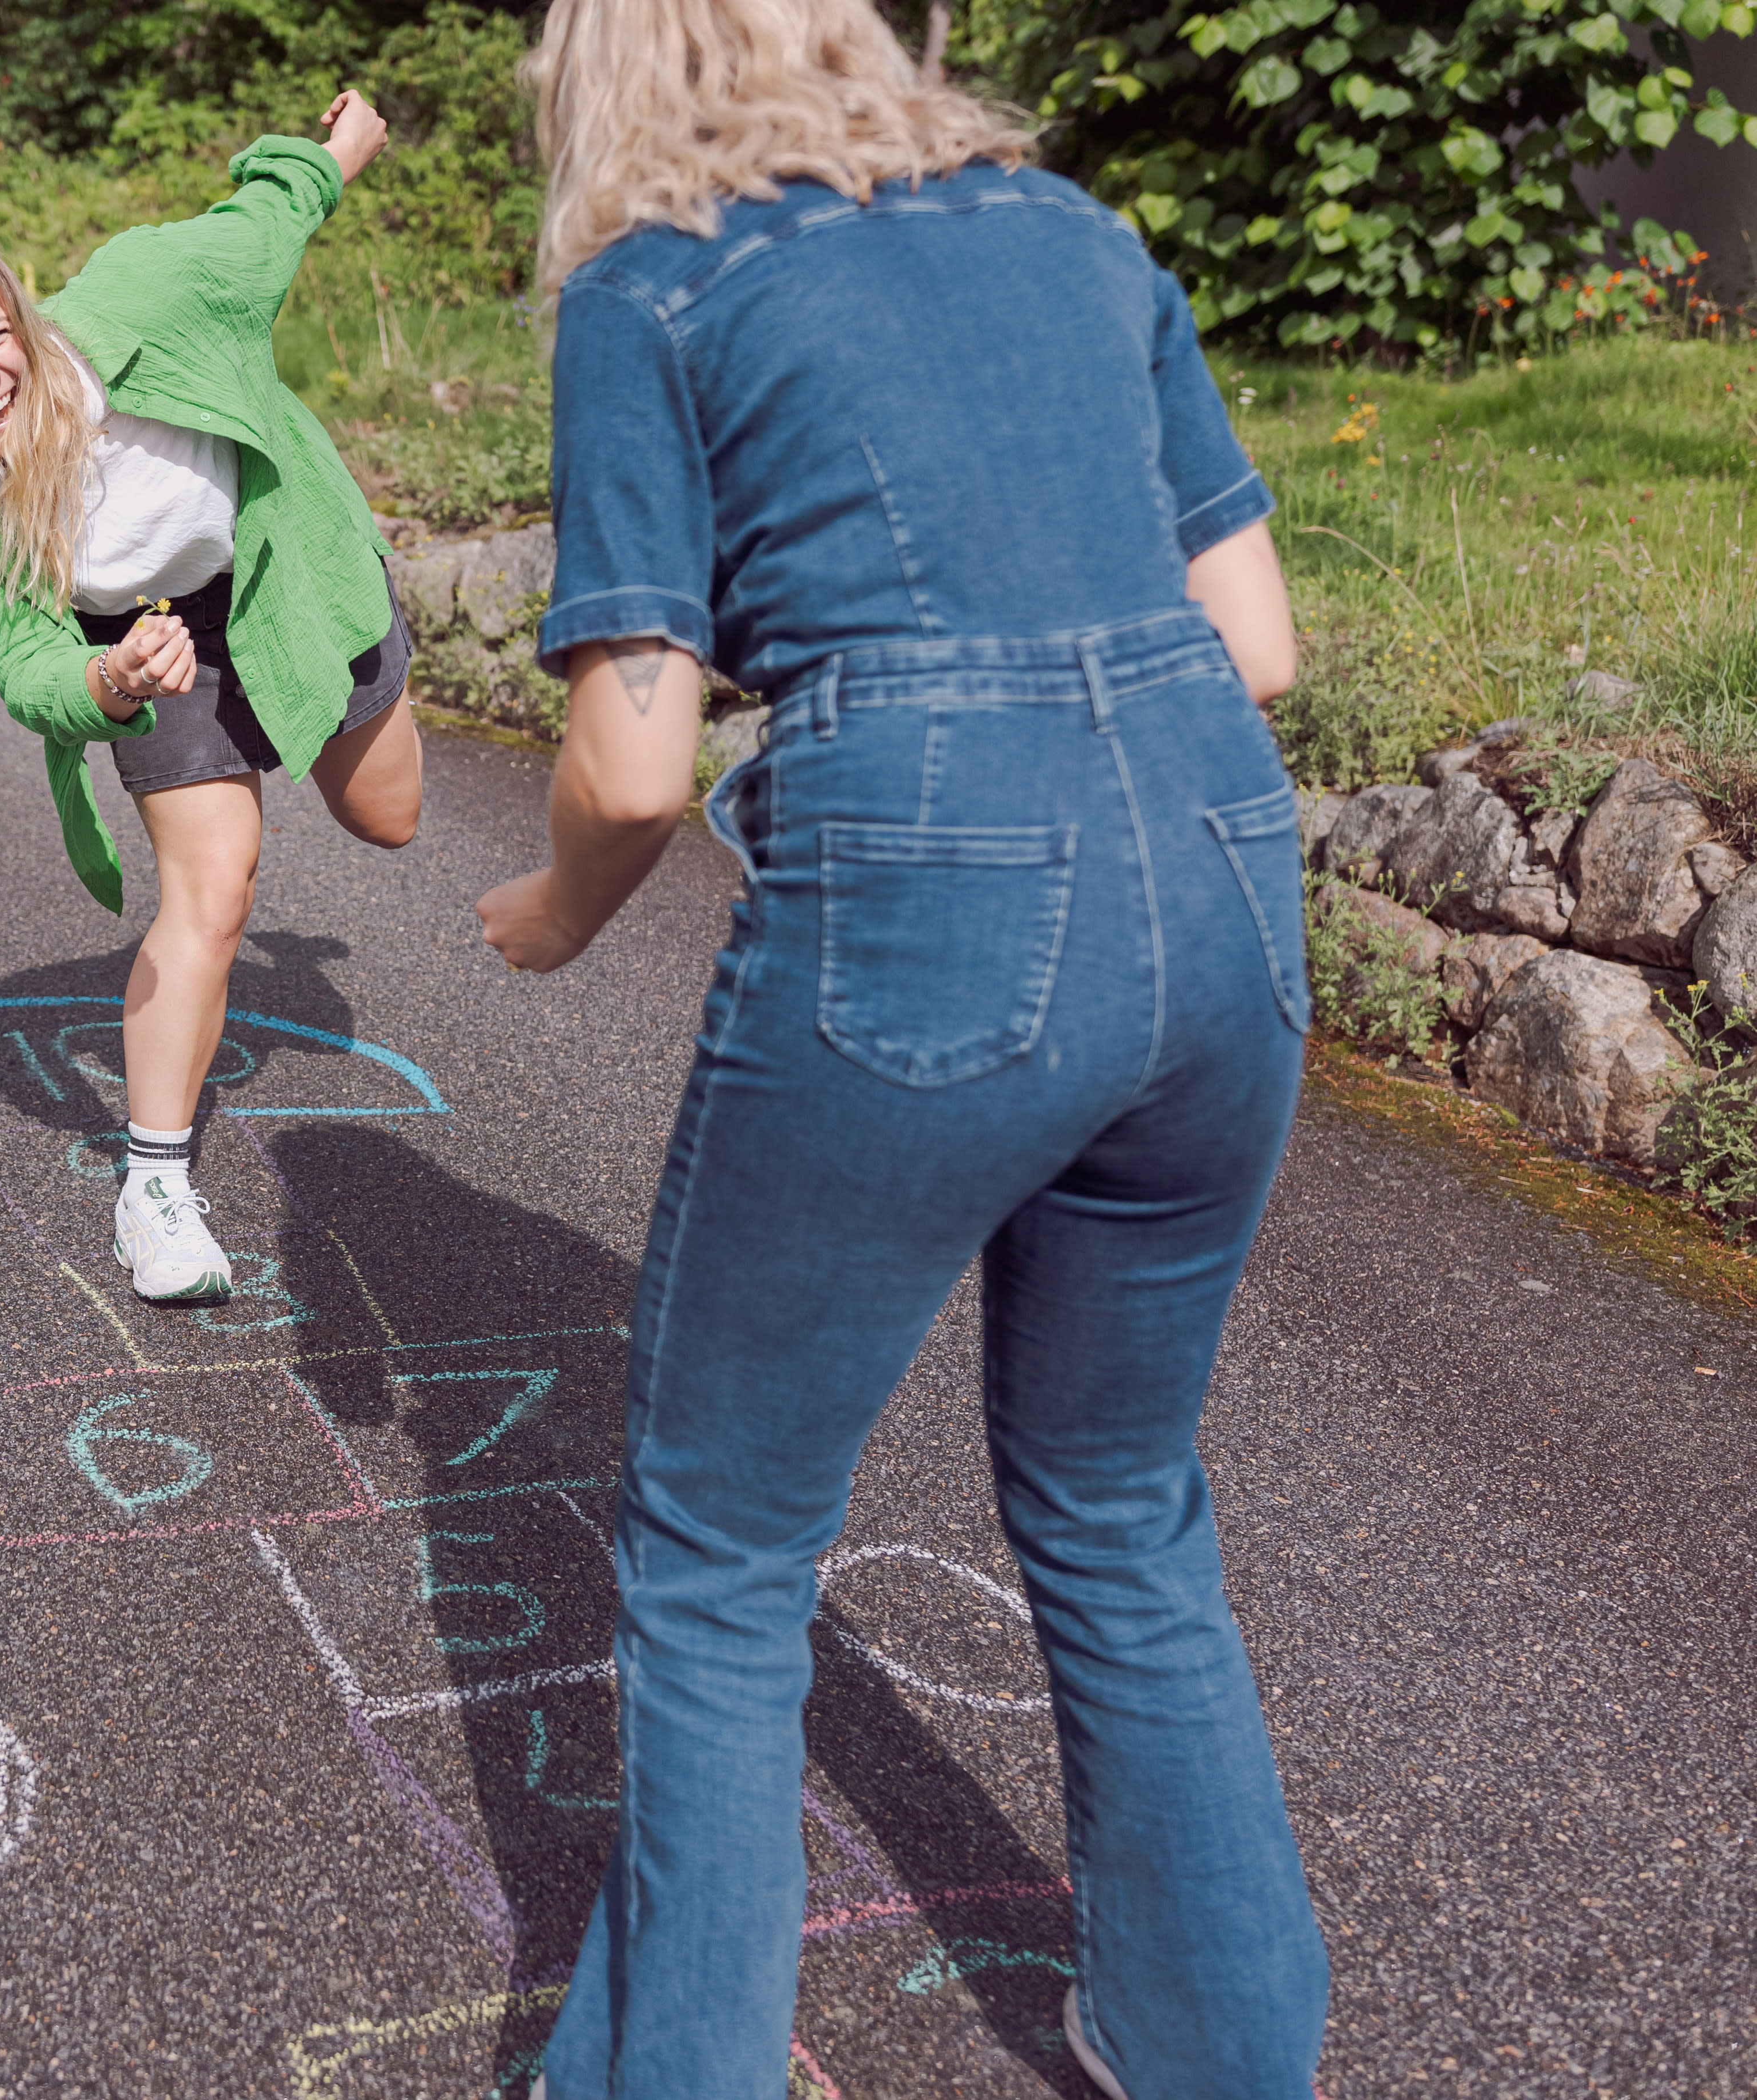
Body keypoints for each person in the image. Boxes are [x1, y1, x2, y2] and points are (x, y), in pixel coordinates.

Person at [476, 0, 1329, 2093]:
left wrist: (543, 911)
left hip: (933, 862)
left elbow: (637, 754)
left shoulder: (648, 284)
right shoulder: (1070, 228)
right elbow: (1265, 641)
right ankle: (1222, 2051)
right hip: (1222, 865)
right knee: (1123, 1503)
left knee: (717, 1550)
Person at [0, 96, 423, 1304]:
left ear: (23, 313)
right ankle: (154, 1193)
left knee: (390, 819)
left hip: (284, 574)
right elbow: (28, 671)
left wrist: (337, 145)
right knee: (212, 888)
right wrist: (100, 680)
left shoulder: (155, 294)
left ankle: (329, 705)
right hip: (146, 643)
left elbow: (269, 217)